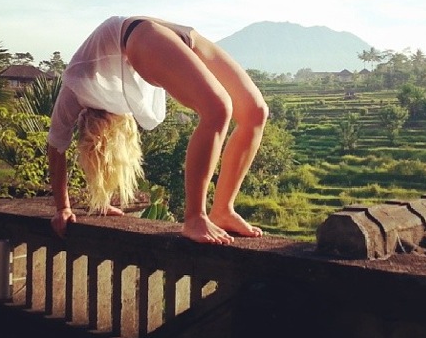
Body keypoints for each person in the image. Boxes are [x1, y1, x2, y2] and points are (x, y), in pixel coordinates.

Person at [47, 15, 269, 245]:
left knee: (251, 112)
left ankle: (217, 211)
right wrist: (69, 206)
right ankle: (199, 216)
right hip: (165, 35)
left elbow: (55, 146)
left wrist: (63, 207)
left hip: (145, 34)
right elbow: (57, 147)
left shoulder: (77, 83)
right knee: (233, 110)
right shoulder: (98, 92)